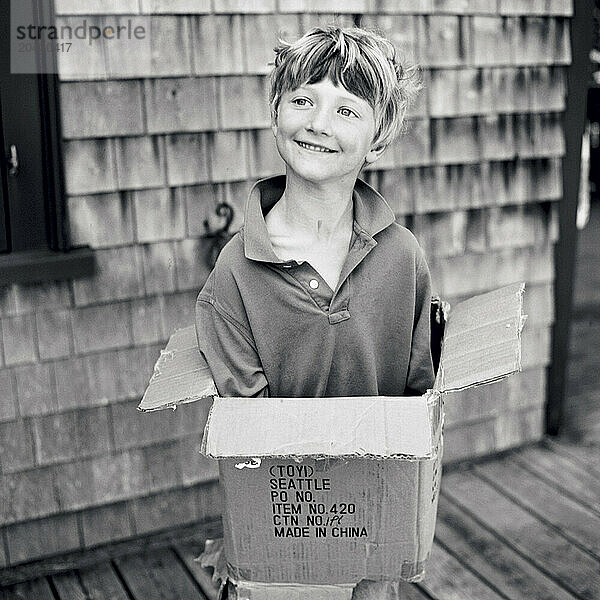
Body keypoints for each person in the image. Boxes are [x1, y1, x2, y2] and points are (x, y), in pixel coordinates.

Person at [195, 25, 434, 599]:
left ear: (378, 138)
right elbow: (251, 434)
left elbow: (418, 403)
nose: (319, 123)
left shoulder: (401, 257)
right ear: (275, 113)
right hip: (281, 545)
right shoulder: (235, 273)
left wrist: (382, 559)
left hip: (376, 536)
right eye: (303, 99)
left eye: (347, 109)